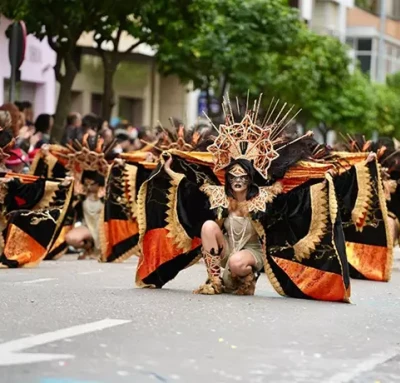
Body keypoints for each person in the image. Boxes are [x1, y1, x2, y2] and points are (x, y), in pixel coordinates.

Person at [135, 98, 373, 302]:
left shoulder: (265, 196)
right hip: (225, 248)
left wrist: (348, 166)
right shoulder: (219, 194)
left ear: (250, 179)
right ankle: (214, 281)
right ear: (227, 178)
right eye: (233, 176)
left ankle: (247, 277)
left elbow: (303, 179)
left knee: (238, 264)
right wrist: (168, 167)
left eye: (243, 177)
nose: (238, 181)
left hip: (251, 251)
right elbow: (190, 179)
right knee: (209, 225)